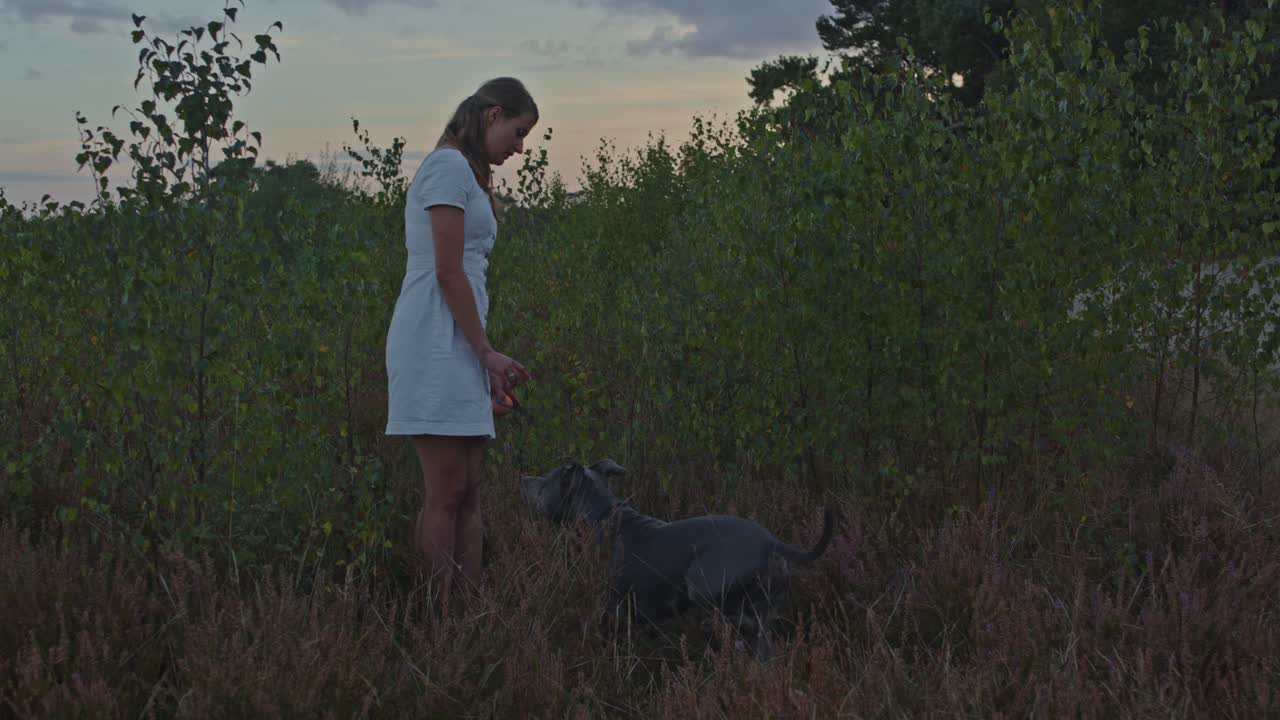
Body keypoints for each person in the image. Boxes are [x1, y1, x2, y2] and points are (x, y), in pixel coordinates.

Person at [385, 77, 537, 602]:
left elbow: (467, 276)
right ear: (493, 115)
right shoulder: (447, 166)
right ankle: (436, 623)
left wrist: (483, 358)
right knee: (446, 492)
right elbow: (448, 271)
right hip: (433, 339)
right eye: (518, 133)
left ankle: (466, 620)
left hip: (463, 342)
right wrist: (486, 354)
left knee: (469, 492)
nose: (520, 148)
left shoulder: (469, 175)